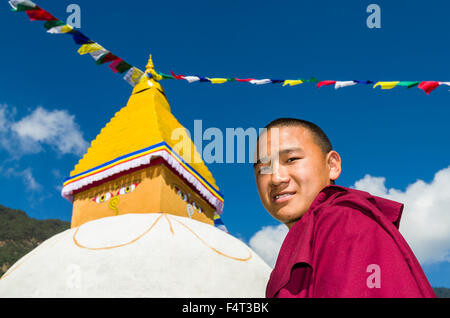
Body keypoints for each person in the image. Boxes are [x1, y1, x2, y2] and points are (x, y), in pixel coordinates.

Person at [253, 118, 436, 298]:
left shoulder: (342, 220)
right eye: (263, 169)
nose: (276, 178)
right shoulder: (302, 247)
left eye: (291, 159)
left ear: (332, 165)